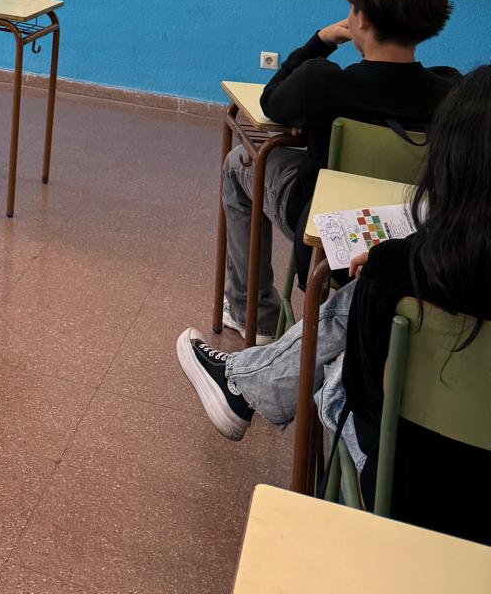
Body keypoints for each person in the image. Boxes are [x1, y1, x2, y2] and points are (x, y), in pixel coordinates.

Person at [177, 65, 491, 544]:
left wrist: (323, 39)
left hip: (404, 486)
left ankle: (246, 380)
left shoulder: (402, 270)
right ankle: (244, 382)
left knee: (339, 355)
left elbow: (364, 395)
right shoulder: (441, 83)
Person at [220, 0, 457, 341]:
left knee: (239, 161)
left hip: (326, 228)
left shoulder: (322, 84)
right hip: (412, 235)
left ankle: (254, 314)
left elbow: (270, 100)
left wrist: (321, 41)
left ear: (360, 19)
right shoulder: (452, 92)